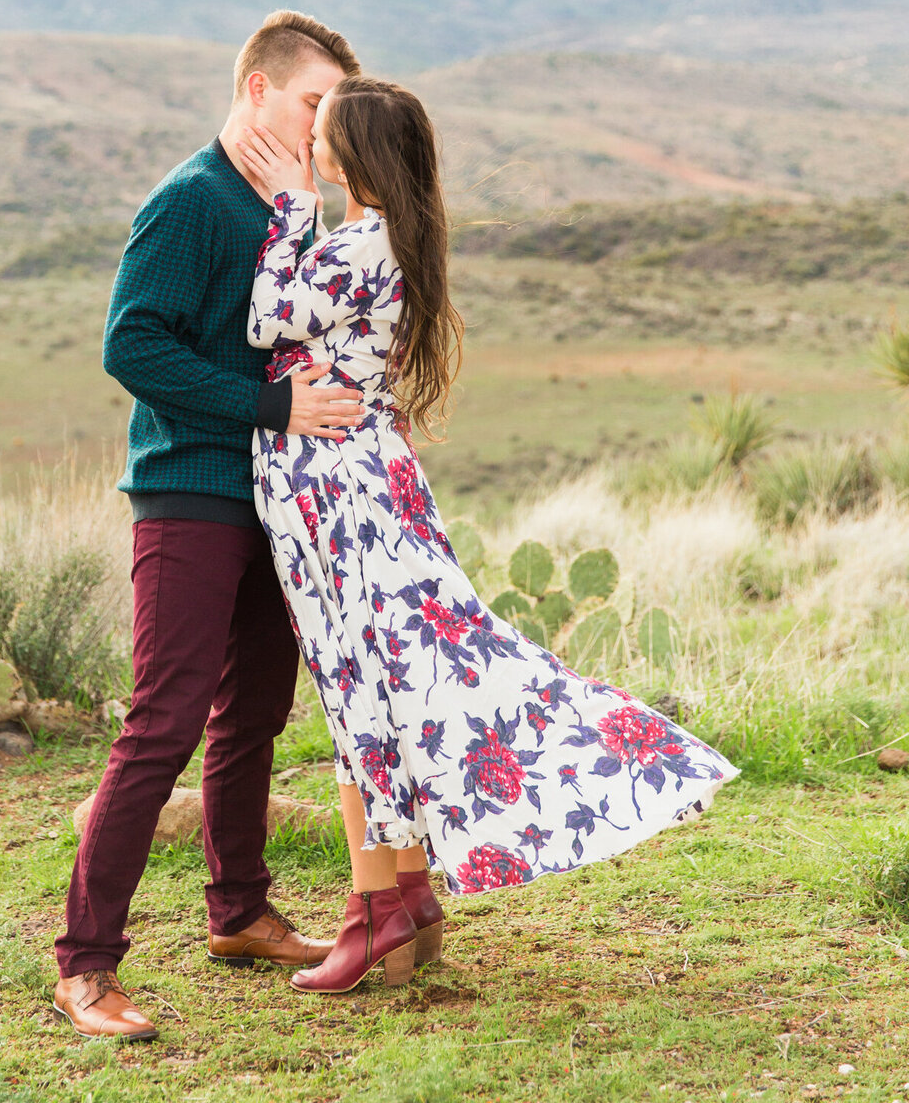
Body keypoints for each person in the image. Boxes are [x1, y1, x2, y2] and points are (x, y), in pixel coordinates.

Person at [237, 76, 739, 995]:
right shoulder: (398, 239)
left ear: (352, 158)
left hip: (337, 493)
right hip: (360, 481)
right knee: (380, 684)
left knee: (361, 690)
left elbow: (266, 320)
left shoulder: (354, 243)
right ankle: (402, 895)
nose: (312, 138)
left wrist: (288, 211)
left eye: (326, 130)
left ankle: (378, 907)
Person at [53, 11, 364, 1041]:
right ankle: (86, 966)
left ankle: (238, 914)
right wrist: (272, 409)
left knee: (257, 714)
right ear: (258, 92)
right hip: (188, 491)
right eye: (316, 102)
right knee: (164, 721)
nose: (327, 123)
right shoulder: (192, 200)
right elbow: (131, 346)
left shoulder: (290, 208)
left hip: (275, 499)